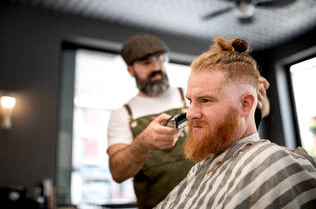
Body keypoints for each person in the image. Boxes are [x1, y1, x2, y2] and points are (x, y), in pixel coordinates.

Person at [107, 34, 269, 209]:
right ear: (131, 70)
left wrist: (253, 91)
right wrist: (143, 143)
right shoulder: (122, 115)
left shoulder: (193, 93)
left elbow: (258, 110)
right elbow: (118, 172)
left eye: (160, 60)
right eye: (147, 63)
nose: (157, 68)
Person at [155, 37, 316, 208]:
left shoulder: (270, 162)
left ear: (245, 104)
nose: (190, 114)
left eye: (205, 100)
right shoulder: (199, 169)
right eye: (190, 101)